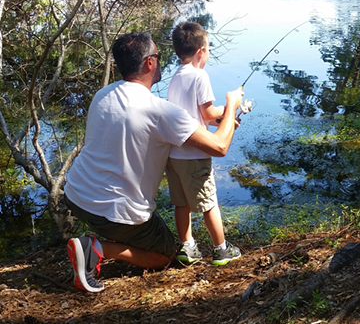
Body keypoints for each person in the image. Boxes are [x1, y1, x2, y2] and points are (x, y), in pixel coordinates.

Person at [64, 32, 243, 293]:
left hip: (77, 195)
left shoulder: (103, 95)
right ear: (149, 63)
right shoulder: (159, 111)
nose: (161, 62)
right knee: (165, 255)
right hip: (113, 211)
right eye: (158, 57)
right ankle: (97, 249)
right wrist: (231, 104)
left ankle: (106, 238)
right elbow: (219, 146)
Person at [166, 22, 241, 266]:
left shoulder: (175, 76)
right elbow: (207, 113)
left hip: (174, 154)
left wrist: (222, 118)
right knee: (209, 203)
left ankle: (188, 247)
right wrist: (231, 107)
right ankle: (221, 249)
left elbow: (192, 113)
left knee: (181, 203)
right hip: (195, 155)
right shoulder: (200, 75)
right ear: (201, 52)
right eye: (207, 49)